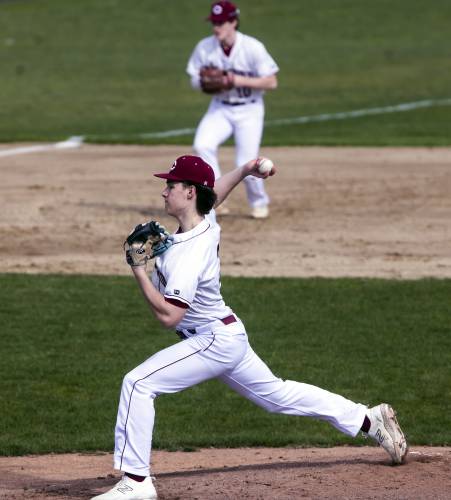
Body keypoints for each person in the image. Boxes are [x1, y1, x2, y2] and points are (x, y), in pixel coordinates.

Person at [91, 155, 408, 500]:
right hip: (227, 335)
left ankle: (136, 482)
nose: (164, 191)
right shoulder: (203, 222)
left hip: (212, 341)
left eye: (171, 184)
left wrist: (139, 271)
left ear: (189, 192)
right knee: (277, 395)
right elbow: (216, 193)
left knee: (138, 383)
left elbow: (169, 317)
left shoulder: (188, 254)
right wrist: (244, 170)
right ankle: (367, 419)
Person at [186, 0, 279, 219]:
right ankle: (214, 197)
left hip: (249, 110)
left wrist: (235, 79)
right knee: (202, 145)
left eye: (221, 22)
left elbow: (271, 82)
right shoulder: (205, 47)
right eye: (214, 22)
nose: (216, 27)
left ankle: (258, 202)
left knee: (245, 162)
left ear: (233, 22)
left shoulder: (252, 47)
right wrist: (205, 82)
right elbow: (193, 79)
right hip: (220, 108)